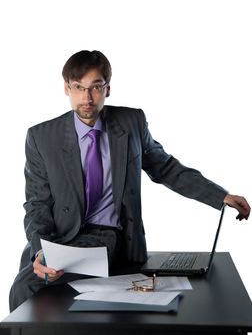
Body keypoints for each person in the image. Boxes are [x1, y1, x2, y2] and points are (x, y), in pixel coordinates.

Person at [9, 50, 250, 312]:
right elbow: (37, 204)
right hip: (62, 239)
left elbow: (166, 167)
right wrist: (40, 251)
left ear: (108, 89)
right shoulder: (41, 137)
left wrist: (220, 195)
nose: (87, 98)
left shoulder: (131, 122)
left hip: (108, 238)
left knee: (25, 286)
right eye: (79, 87)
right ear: (66, 87)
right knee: (26, 281)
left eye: (96, 87)